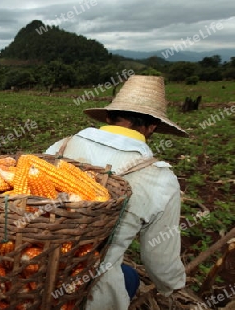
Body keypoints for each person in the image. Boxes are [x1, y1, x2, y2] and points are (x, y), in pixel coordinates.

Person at [45, 75, 187, 309]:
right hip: (91, 292)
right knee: (128, 276)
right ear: (152, 127)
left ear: (109, 116)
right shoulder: (161, 179)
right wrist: (171, 285)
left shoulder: (61, 147)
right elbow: (158, 258)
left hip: (35, 271)